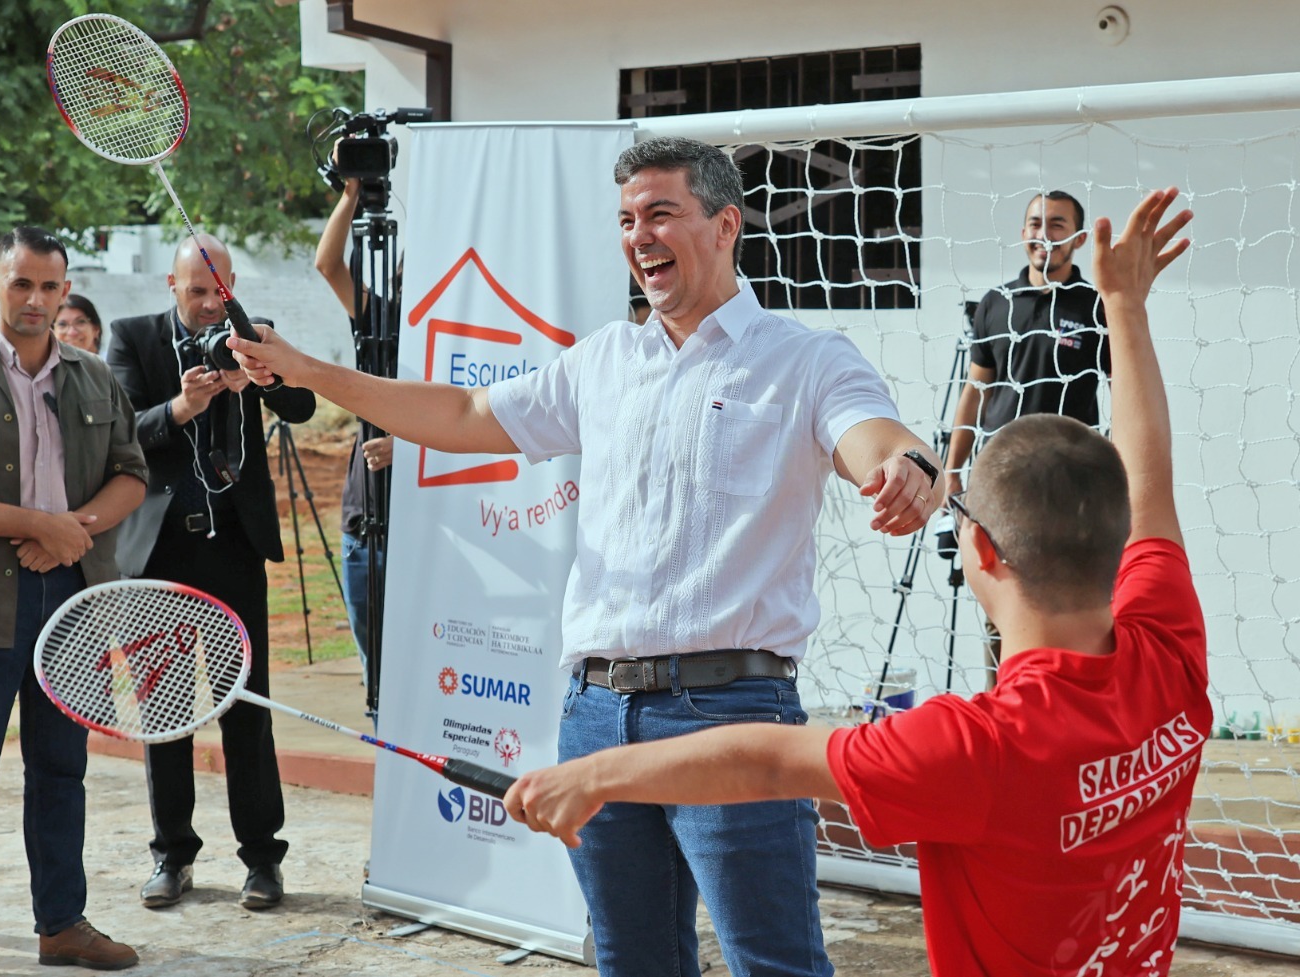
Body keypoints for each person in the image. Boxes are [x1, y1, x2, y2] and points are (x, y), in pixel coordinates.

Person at [231, 136, 944, 977]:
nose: (639, 235)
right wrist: (306, 368)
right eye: (626, 219)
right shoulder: (604, 360)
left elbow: (878, 435)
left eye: (661, 214)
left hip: (736, 714)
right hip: (596, 715)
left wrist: (907, 467)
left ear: (725, 226)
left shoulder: (806, 357)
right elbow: (463, 413)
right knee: (633, 961)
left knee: (775, 964)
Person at [504, 190, 1206, 977]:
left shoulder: (980, 745)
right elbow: (1151, 486)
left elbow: (771, 760)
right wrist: (1127, 309)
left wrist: (593, 772)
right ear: (1118, 552)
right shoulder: (1168, 653)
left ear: (982, 552)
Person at [0, 226, 148, 977]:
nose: (38, 300)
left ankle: (62, 925)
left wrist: (70, 533)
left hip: (75, 598)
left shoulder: (94, 376)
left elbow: (130, 474)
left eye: (51, 287)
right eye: (22, 284)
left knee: (61, 767)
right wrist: (32, 524)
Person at [108, 234, 314, 912]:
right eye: (195, 290)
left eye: (218, 292)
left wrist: (265, 374)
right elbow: (119, 432)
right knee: (165, 712)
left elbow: (303, 409)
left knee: (246, 710)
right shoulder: (133, 337)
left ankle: (262, 858)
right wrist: (180, 408)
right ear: (171, 284)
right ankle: (172, 856)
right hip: (162, 556)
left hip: (235, 550)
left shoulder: (252, 335)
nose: (206, 304)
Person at [945, 190, 1109, 686]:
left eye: (1058, 224)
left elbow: (1125, 391)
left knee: (1070, 600)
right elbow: (975, 392)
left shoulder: (1097, 306)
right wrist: (952, 472)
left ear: (1078, 238)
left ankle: (1067, 705)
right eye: (1036, 222)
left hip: (1071, 482)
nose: (1045, 232)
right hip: (1000, 480)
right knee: (1001, 600)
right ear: (1022, 233)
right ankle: (1001, 705)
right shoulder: (996, 303)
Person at [313, 173, 395, 689]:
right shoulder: (385, 320)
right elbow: (328, 265)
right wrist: (350, 196)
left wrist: (410, 450)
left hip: (425, 534)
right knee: (377, 680)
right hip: (365, 527)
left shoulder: (469, 343)